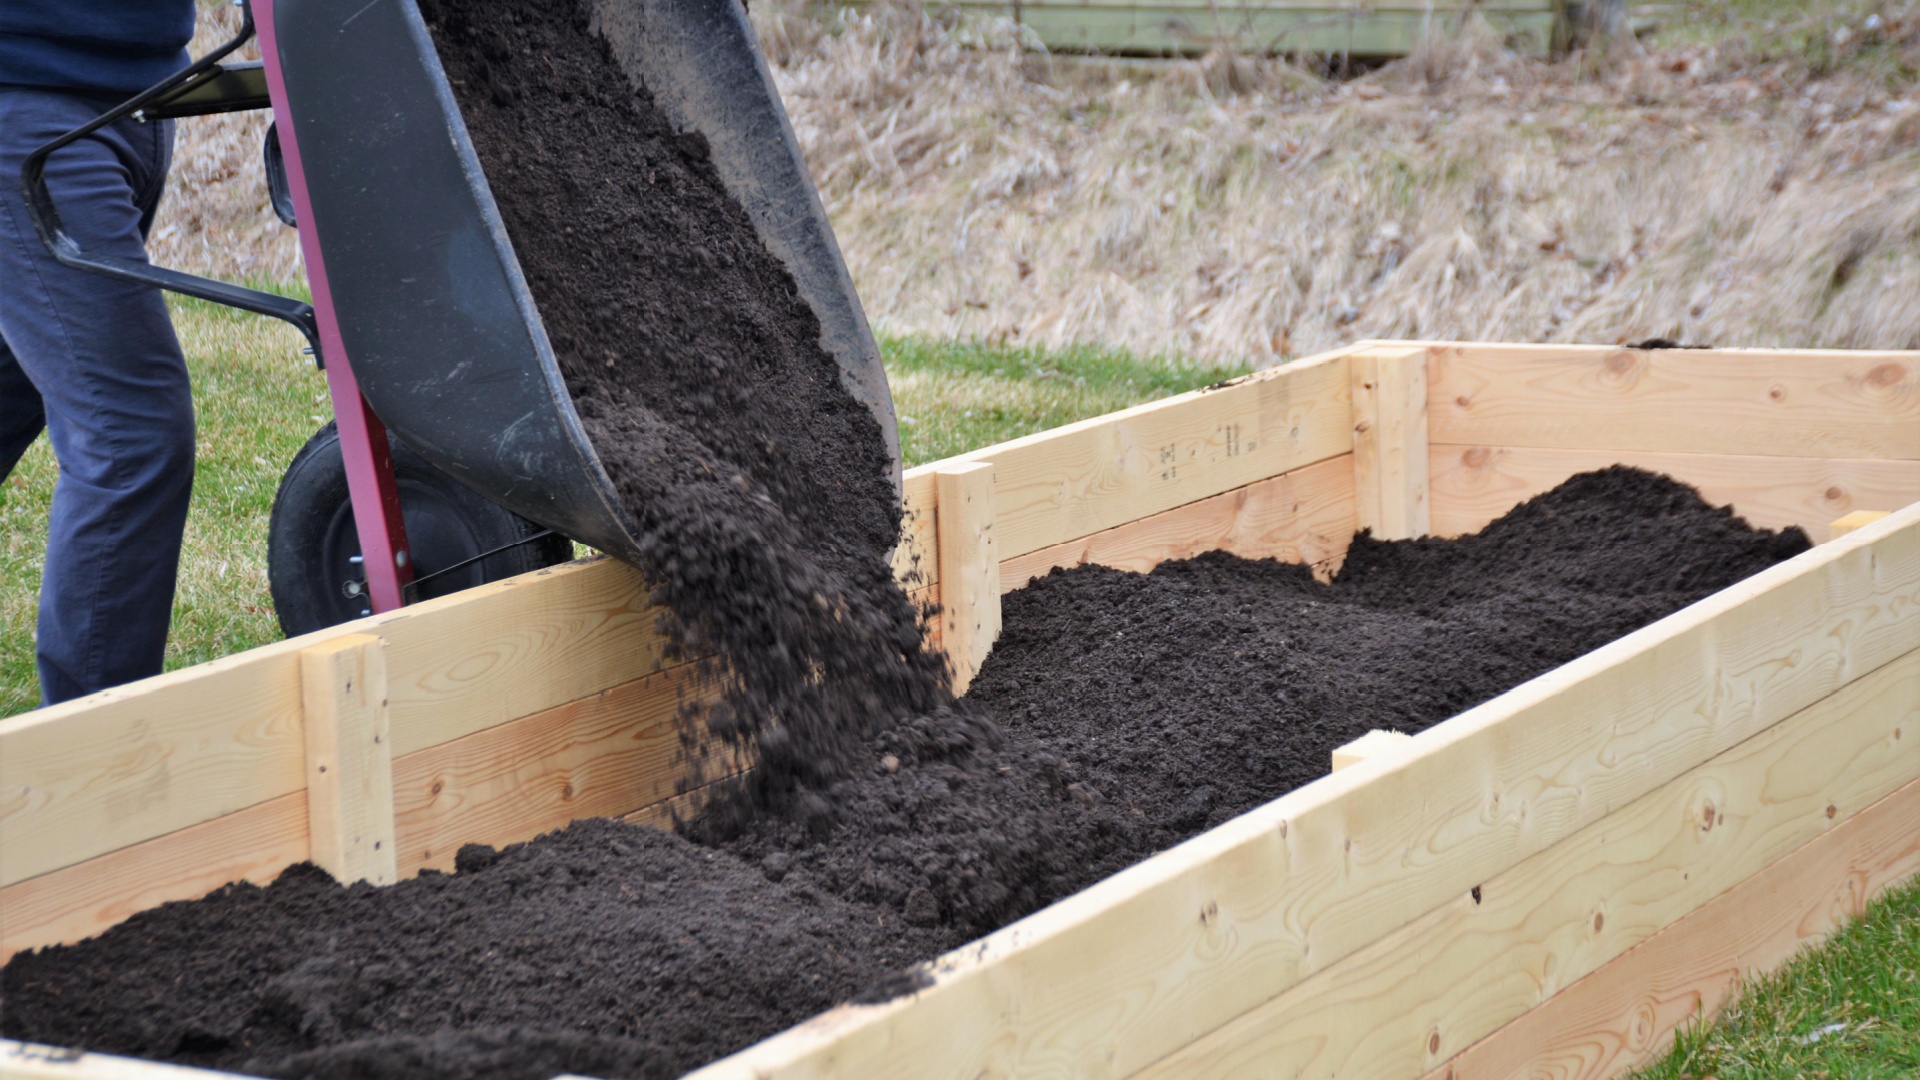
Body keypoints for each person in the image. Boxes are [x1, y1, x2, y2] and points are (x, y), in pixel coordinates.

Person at [1, 2, 199, 705]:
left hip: (139, 96)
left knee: (13, 393)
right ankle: (100, 776)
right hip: (26, 104)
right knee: (130, 434)